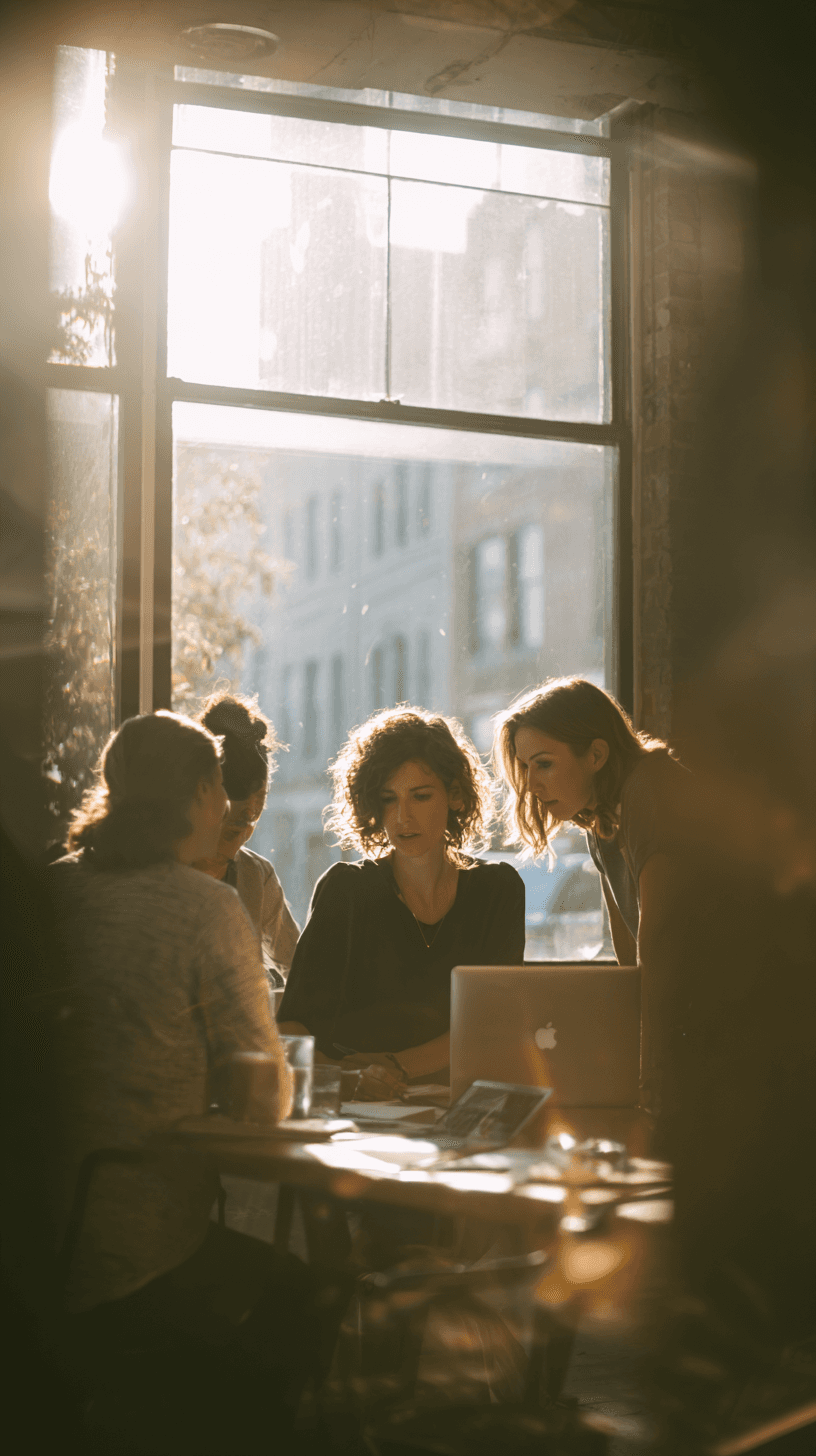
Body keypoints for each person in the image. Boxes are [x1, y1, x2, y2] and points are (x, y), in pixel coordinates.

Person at [45, 711, 325, 1452]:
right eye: (219, 792)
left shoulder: (48, 891)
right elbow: (263, 1097)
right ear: (202, 794)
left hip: (35, 1238)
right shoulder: (208, 907)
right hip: (137, 1247)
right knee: (304, 1292)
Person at [278, 706, 526, 1091]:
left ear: (455, 795)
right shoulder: (346, 890)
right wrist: (352, 1078)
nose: (402, 817)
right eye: (388, 799)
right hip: (361, 1100)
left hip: (458, 1093)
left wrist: (397, 1068)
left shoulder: (497, 888)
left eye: (420, 796)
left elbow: (494, 1020)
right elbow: (293, 1026)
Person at [493, 677, 689, 1113]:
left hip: (737, 1016)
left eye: (543, 764)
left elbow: (656, 940)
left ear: (597, 755)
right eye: (525, 767)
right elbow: (627, 951)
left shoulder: (649, 786)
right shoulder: (601, 820)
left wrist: (649, 1067)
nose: (530, 785)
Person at [195, 692, 299, 988]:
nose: (247, 819)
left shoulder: (256, 877)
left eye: (260, 802)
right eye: (236, 794)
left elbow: (301, 970)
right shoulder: (157, 875)